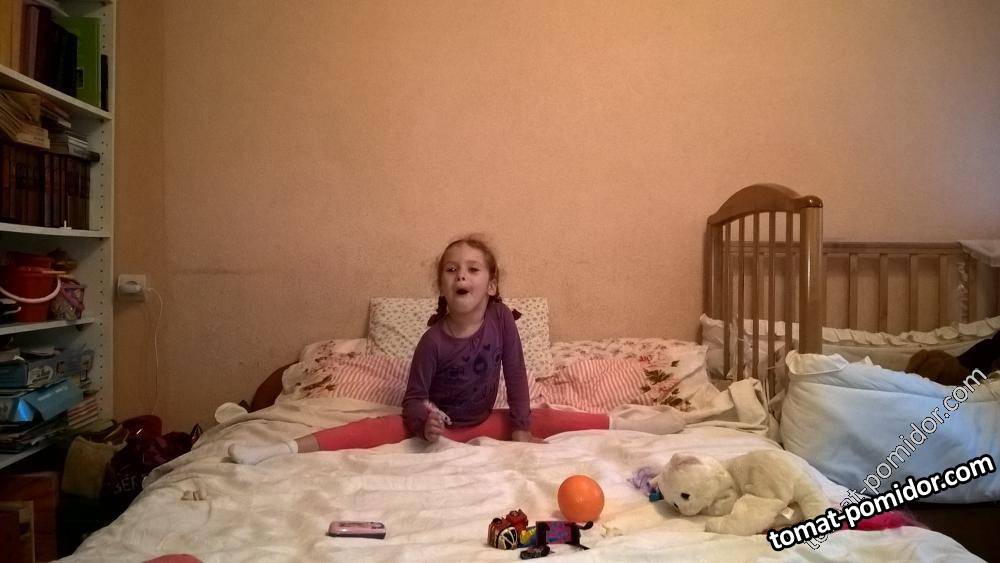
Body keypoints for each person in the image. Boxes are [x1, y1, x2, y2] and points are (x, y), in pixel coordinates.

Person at [229, 237, 684, 465]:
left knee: (545, 416)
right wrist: (425, 423)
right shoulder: (433, 341)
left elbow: (516, 374)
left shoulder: (501, 319)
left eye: (472, 269)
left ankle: (633, 423)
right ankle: (280, 449)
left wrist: (520, 430)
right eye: (451, 269)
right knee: (370, 429)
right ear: (442, 285)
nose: (461, 276)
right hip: (443, 426)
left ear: (491, 284)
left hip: (485, 419)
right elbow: (412, 399)